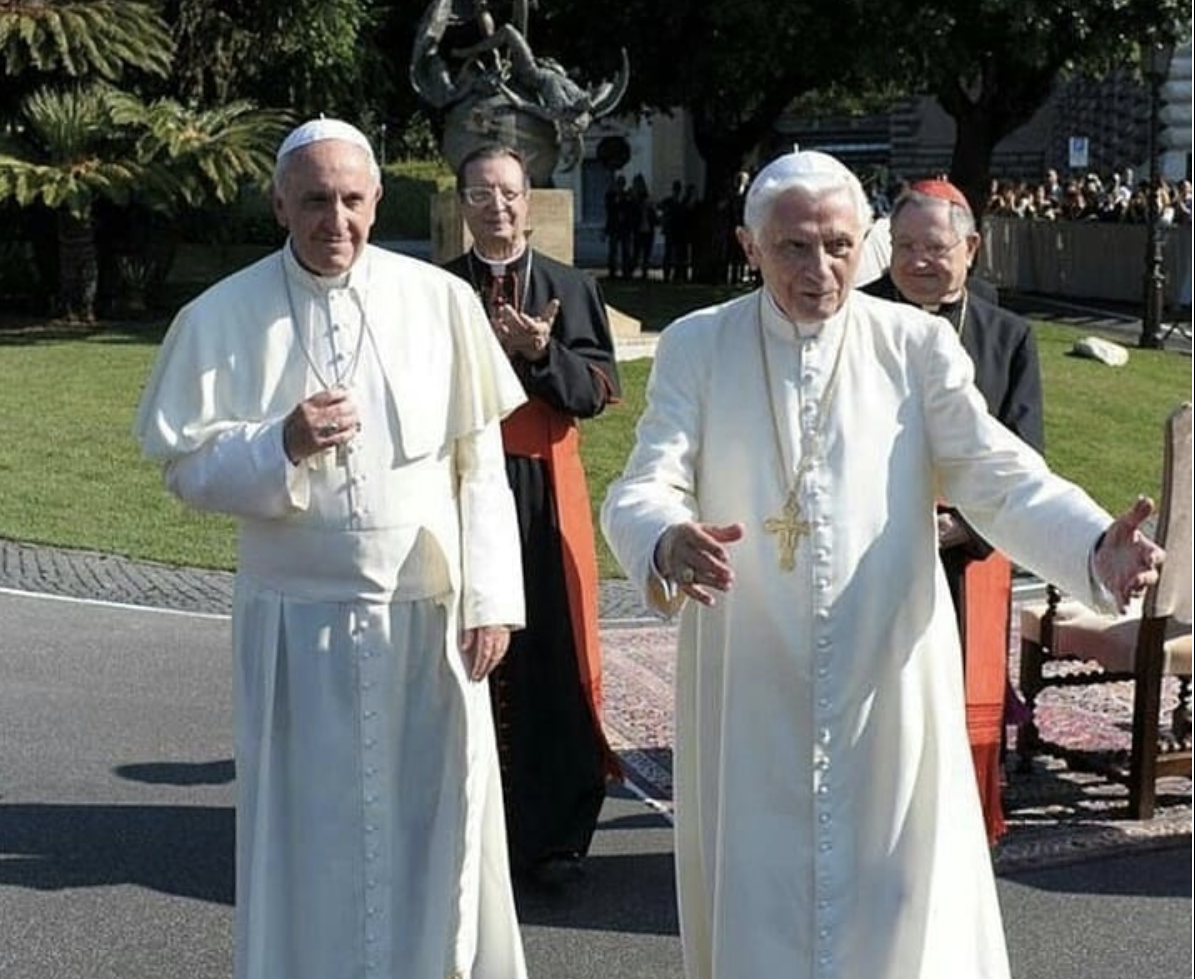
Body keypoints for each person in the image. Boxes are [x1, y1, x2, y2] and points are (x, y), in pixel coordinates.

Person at [600, 149, 1165, 979]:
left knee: (897, 893)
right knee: (762, 890)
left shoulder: (912, 344)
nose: (819, 269)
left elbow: (998, 476)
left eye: (837, 245)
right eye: (793, 247)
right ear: (749, 246)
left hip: (883, 665)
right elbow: (643, 480)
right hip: (751, 664)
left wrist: (1090, 543)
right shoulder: (699, 344)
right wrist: (663, 535)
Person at [133, 119, 530, 979]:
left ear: (377, 200)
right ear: (279, 203)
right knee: (306, 834)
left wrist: (493, 599)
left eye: (352, 199)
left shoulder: (441, 302)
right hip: (295, 627)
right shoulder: (221, 314)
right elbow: (184, 468)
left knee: (436, 825)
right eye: (314, 200)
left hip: (426, 620)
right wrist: (278, 444)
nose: (335, 220)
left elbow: (479, 468)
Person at [443, 143, 623, 886]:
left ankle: (554, 836)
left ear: (528, 199)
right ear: (463, 203)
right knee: (465, 647)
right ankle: (467, 824)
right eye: (482, 194)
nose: (498, 206)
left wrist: (543, 353)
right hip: (458, 484)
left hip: (543, 486)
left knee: (551, 650)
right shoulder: (438, 289)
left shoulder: (568, 286)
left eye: (510, 193)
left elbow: (597, 393)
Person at [865, 177, 1044, 844]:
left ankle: (955, 829)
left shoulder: (1007, 336)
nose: (917, 260)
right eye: (903, 246)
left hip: (968, 548)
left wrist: (962, 524)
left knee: (956, 696)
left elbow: (1025, 454)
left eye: (934, 248)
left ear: (969, 249)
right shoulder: (852, 317)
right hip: (871, 545)